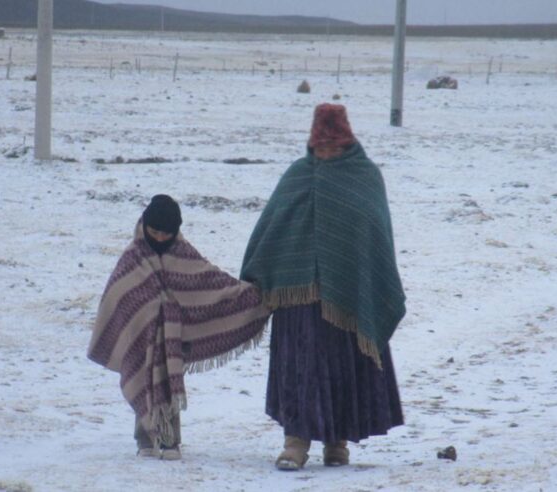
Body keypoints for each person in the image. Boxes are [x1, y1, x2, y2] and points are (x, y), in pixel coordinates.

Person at [241, 104, 406, 470]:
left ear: (348, 145)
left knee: (342, 368)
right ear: (311, 145)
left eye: (334, 148)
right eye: (322, 148)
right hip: (299, 297)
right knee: (300, 369)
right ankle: (295, 442)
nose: (327, 155)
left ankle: (338, 442)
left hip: (347, 298)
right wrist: (258, 273)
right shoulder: (297, 176)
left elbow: (373, 235)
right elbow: (272, 227)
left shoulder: (364, 178)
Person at [88, 195, 269, 461]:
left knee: (168, 374)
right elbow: (117, 296)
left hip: (172, 336)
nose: (160, 238)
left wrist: (255, 297)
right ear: (145, 226)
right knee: (142, 371)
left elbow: (211, 283)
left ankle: (170, 439)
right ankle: (145, 437)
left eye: (167, 233)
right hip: (140, 334)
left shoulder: (183, 253)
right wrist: (146, 313)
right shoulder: (131, 258)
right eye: (154, 232)